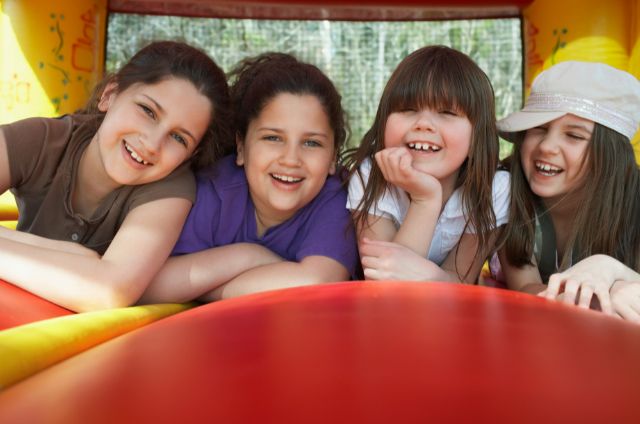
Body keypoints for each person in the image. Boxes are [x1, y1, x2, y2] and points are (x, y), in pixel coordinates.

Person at [0, 41, 231, 312]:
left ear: (189, 156)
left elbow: (109, 291)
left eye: (179, 138)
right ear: (110, 94)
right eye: (147, 111)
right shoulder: (42, 140)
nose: (152, 144)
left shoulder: (172, 187)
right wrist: (75, 257)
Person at [140, 53, 358, 303]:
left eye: (311, 143)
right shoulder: (214, 189)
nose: (290, 159)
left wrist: (205, 291)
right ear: (241, 147)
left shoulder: (335, 199)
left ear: (333, 158)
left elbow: (316, 284)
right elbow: (148, 285)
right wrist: (248, 256)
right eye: (273, 138)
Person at [346, 45, 509, 283]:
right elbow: (387, 282)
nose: (423, 124)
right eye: (408, 109)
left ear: (477, 136)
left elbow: (460, 280)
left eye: (447, 112)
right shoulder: (370, 177)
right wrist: (425, 199)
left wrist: (431, 275)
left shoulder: (494, 188)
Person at [497, 61, 640, 322]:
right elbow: (526, 287)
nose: (547, 146)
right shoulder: (505, 190)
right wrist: (599, 297)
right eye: (538, 128)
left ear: (610, 155)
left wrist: (614, 272)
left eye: (574, 136)